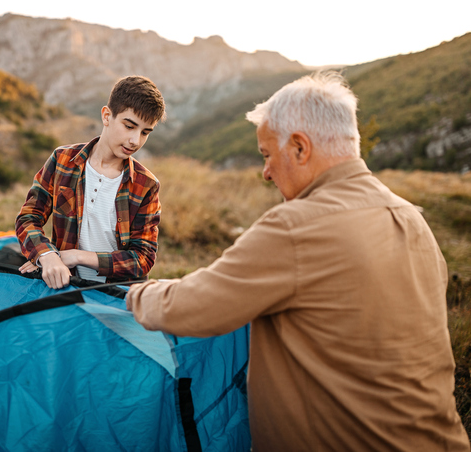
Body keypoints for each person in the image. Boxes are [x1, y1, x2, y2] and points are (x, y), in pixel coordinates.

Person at [126, 72, 470, 451]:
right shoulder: (412, 218)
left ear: (301, 148)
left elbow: (190, 307)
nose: (266, 172)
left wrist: (134, 295)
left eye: (268, 155)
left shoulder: (296, 227)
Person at [16, 75, 165, 289]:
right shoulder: (62, 160)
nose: (136, 140)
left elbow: (142, 259)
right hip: (64, 287)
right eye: (129, 126)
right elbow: (29, 216)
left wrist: (76, 256)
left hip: (116, 295)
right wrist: (47, 256)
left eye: (145, 132)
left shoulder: (146, 185)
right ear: (107, 116)